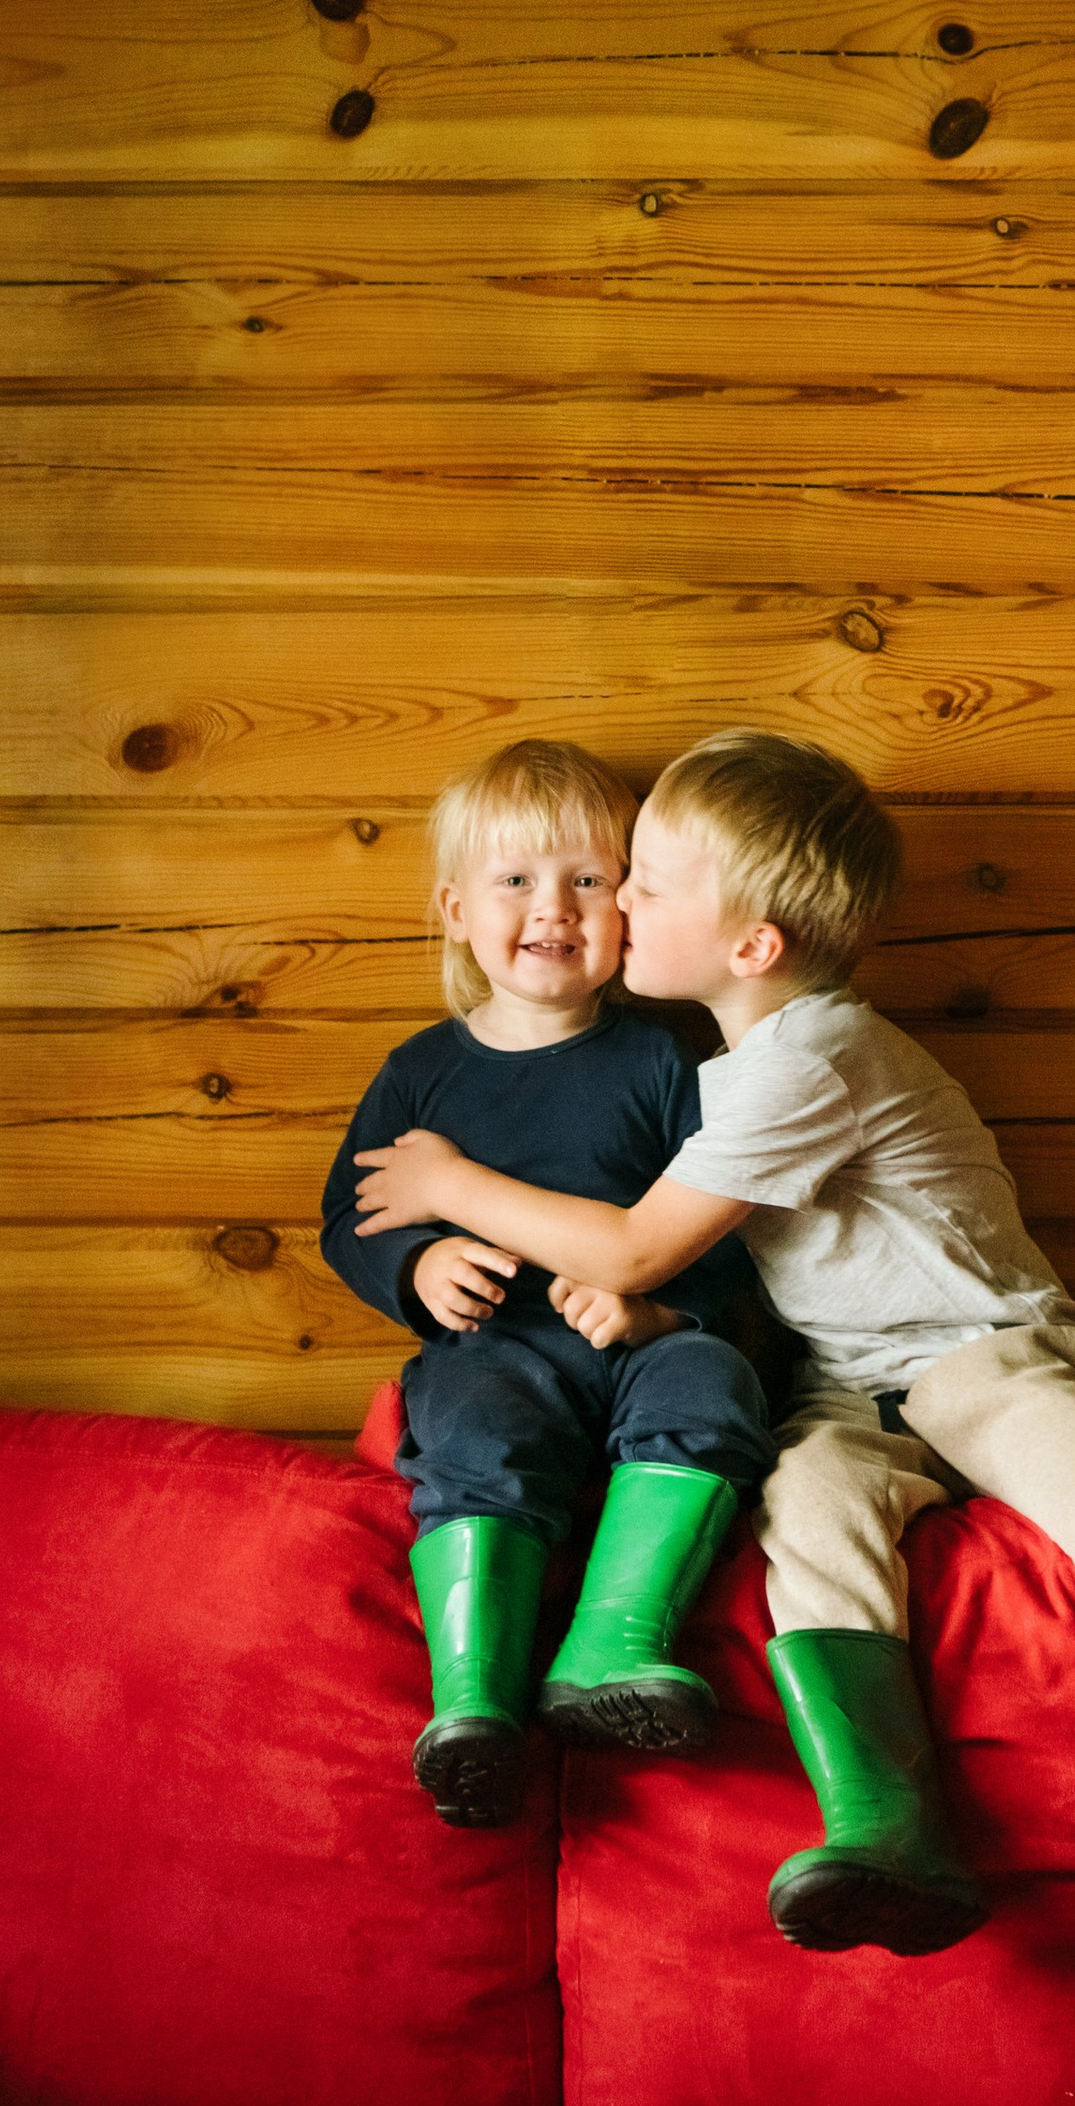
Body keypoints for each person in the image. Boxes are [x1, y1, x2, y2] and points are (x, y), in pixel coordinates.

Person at [354, 728, 1075, 2026]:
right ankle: (889, 1833)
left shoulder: (816, 1056)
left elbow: (643, 1235)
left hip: (983, 1361)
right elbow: (680, 1261)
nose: (621, 897)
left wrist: (448, 1185)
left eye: (645, 879)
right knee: (807, 1520)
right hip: (844, 1389)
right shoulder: (727, 1069)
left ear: (752, 946)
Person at [320, 737, 773, 1831]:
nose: (551, 909)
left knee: (710, 1379)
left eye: (587, 880)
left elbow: (721, 1231)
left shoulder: (663, 1063)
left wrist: (658, 1305)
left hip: (636, 1340)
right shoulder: (423, 1071)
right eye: (515, 881)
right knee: (472, 1428)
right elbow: (350, 1217)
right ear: (456, 909)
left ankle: (614, 1646)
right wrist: (418, 1265)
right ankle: (474, 1706)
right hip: (495, 1347)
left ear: (628, 909)